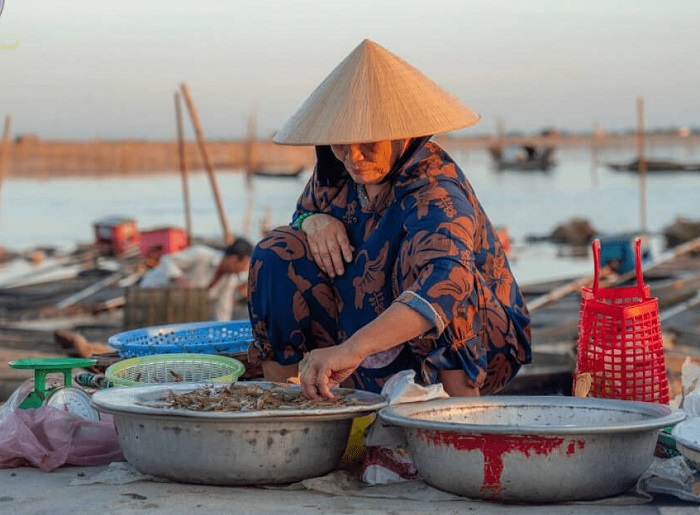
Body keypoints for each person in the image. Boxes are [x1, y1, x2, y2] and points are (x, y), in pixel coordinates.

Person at [247, 39, 531, 400]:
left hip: (479, 343)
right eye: (340, 143)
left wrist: (354, 348)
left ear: (402, 133)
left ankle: (459, 415)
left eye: (367, 143)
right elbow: (301, 217)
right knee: (277, 251)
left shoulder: (435, 189)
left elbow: (447, 279)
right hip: (365, 335)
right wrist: (311, 222)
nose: (353, 157)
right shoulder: (335, 174)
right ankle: (288, 401)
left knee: (445, 277)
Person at [140, 238, 253, 321]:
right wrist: (180, 280)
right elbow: (167, 260)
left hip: (176, 306)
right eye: (245, 264)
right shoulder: (201, 254)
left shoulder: (230, 279)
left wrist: (222, 333)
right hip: (152, 293)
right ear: (234, 260)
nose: (244, 269)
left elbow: (222, 309)